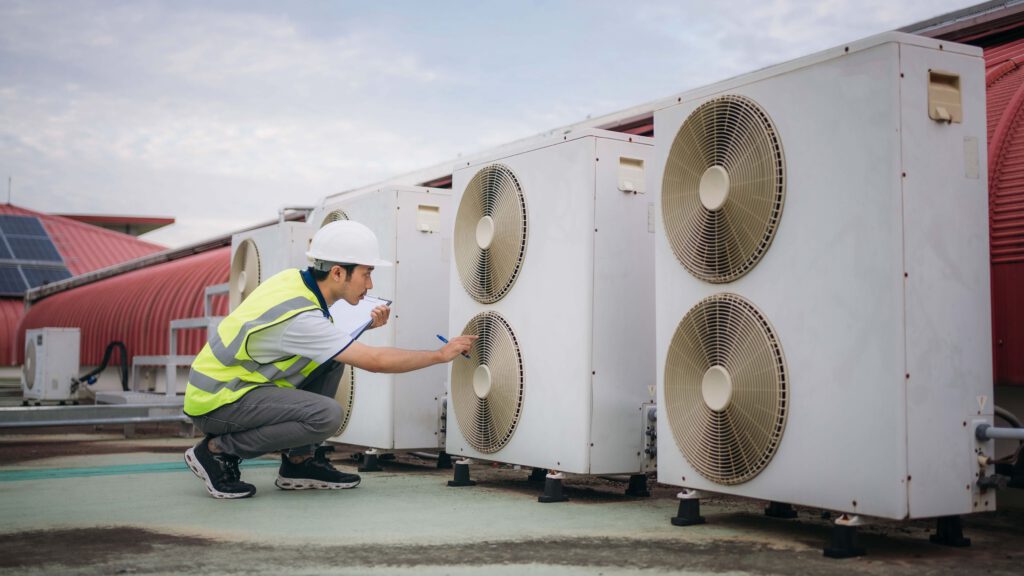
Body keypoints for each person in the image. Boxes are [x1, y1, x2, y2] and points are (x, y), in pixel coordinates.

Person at [182, 220, 475, 499]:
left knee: (332, 359)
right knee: (326, 415)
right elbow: (373, 360)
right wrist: (439, 355)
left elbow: (318, 338)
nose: (370, 284)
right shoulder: (301, 318)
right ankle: (217, 451)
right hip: (217, 401)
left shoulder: (294, 281)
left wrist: (365, 325)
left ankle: (299, 463)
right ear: (337, 273)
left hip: (233, 387)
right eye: (366, 273)